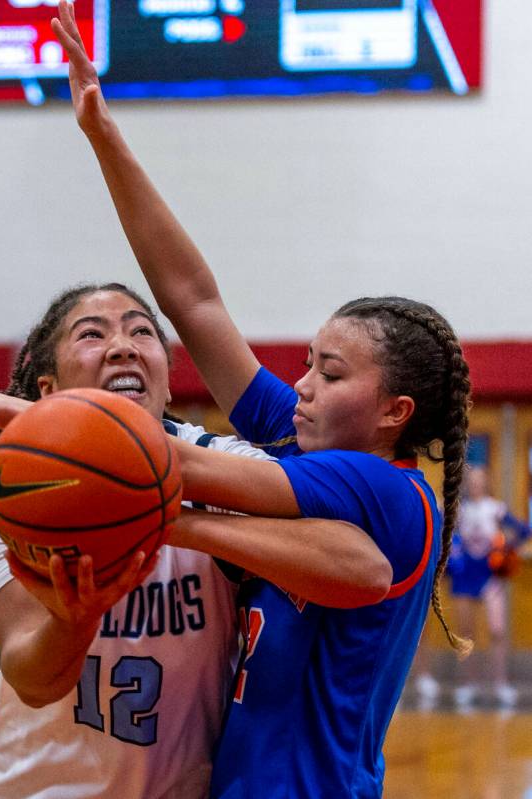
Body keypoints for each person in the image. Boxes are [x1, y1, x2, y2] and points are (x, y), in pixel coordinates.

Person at [47, 4, 472, 795]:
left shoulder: (384, 490)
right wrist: (101, 134)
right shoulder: (307, 439)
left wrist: (12, 417)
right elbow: (194, 302)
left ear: (393, 412)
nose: (301, 386)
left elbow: (156, 461)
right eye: (306, 363)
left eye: (331, 373)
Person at [0, 283, 391, 799]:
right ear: (48, 390)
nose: (122, 346)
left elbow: (364, 568)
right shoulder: (12, 491)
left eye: (142, 333)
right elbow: (32, 677)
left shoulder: (223, 465)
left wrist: (164, 518)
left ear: (163, 375)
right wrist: (75, 619)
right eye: (91, 335)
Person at [447, 465, 530, 709]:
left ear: (486, 482)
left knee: (497, 630)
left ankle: (500, 683)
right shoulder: (459, 510)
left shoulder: (495, 508)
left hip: (489, 575)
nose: (475, 484)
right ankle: (467, 684)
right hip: (464, 575)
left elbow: (524, 530)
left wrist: (506, 549)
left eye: (480, 479)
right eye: (471, 480)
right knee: (465, 633)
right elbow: (443, 531)